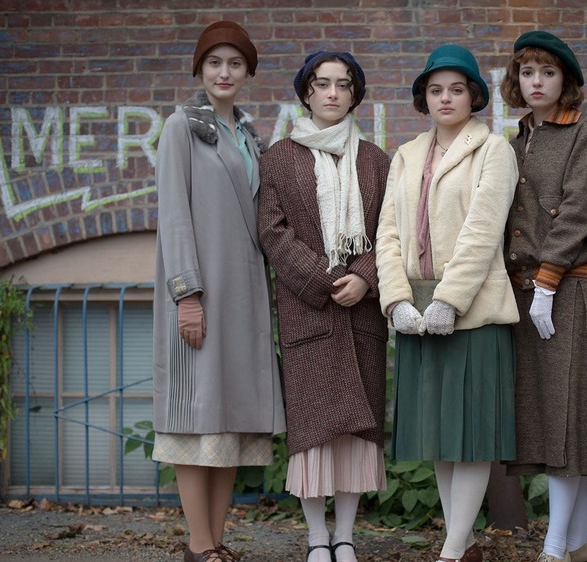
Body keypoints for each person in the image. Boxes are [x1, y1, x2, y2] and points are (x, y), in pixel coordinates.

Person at [375, 44, 519, 562]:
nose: (446, 97)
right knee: (439, 433)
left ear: (474, 95)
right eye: (436, 90)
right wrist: (395, 301)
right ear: (424, 98)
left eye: (457, 89)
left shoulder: (493, 149)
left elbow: (483, 233)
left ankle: (452, 551)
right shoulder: (407, 155)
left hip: (474, 312)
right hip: (416, 313)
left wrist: (450, 301)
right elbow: (387, 233)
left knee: (471, 434)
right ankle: (464, 544)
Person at [152, 21, 286, 562]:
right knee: (196, 417)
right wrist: (187, 294)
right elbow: (173, 216)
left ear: (248, 71)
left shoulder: (252, 136)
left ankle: (217, 543)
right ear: (199, 70)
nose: (224, 72)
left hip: (244, 299)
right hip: (202, 295)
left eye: (234, 63)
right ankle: (199, 545)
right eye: (214, 63)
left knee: (228, 422)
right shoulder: (182, 127)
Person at [257, 51, 390, 562]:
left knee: (357, 432)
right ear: (306, 93)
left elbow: (391, 232)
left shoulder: (377, 161)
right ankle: (317, 538)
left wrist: (364, 277)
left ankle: (347, 536)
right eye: (322, 84)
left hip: (360, 315)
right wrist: (328, 277)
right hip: (308, 312)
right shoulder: (278, 158)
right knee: (313, 434)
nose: (332, 93)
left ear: (355, 93)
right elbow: (273, 232)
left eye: (343, 84)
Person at [498, 31, 587, 562]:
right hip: (528, 291)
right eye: (527, 73)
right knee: (546, 419)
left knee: (569, 419)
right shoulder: (515, 139)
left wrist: (547, 281)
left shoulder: (584, 132)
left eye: (547, 72)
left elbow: (580, 211)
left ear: (565, 81)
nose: (536, 82)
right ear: (516, 80)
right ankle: (581, 540)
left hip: (571, 288)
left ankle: (554, 549)